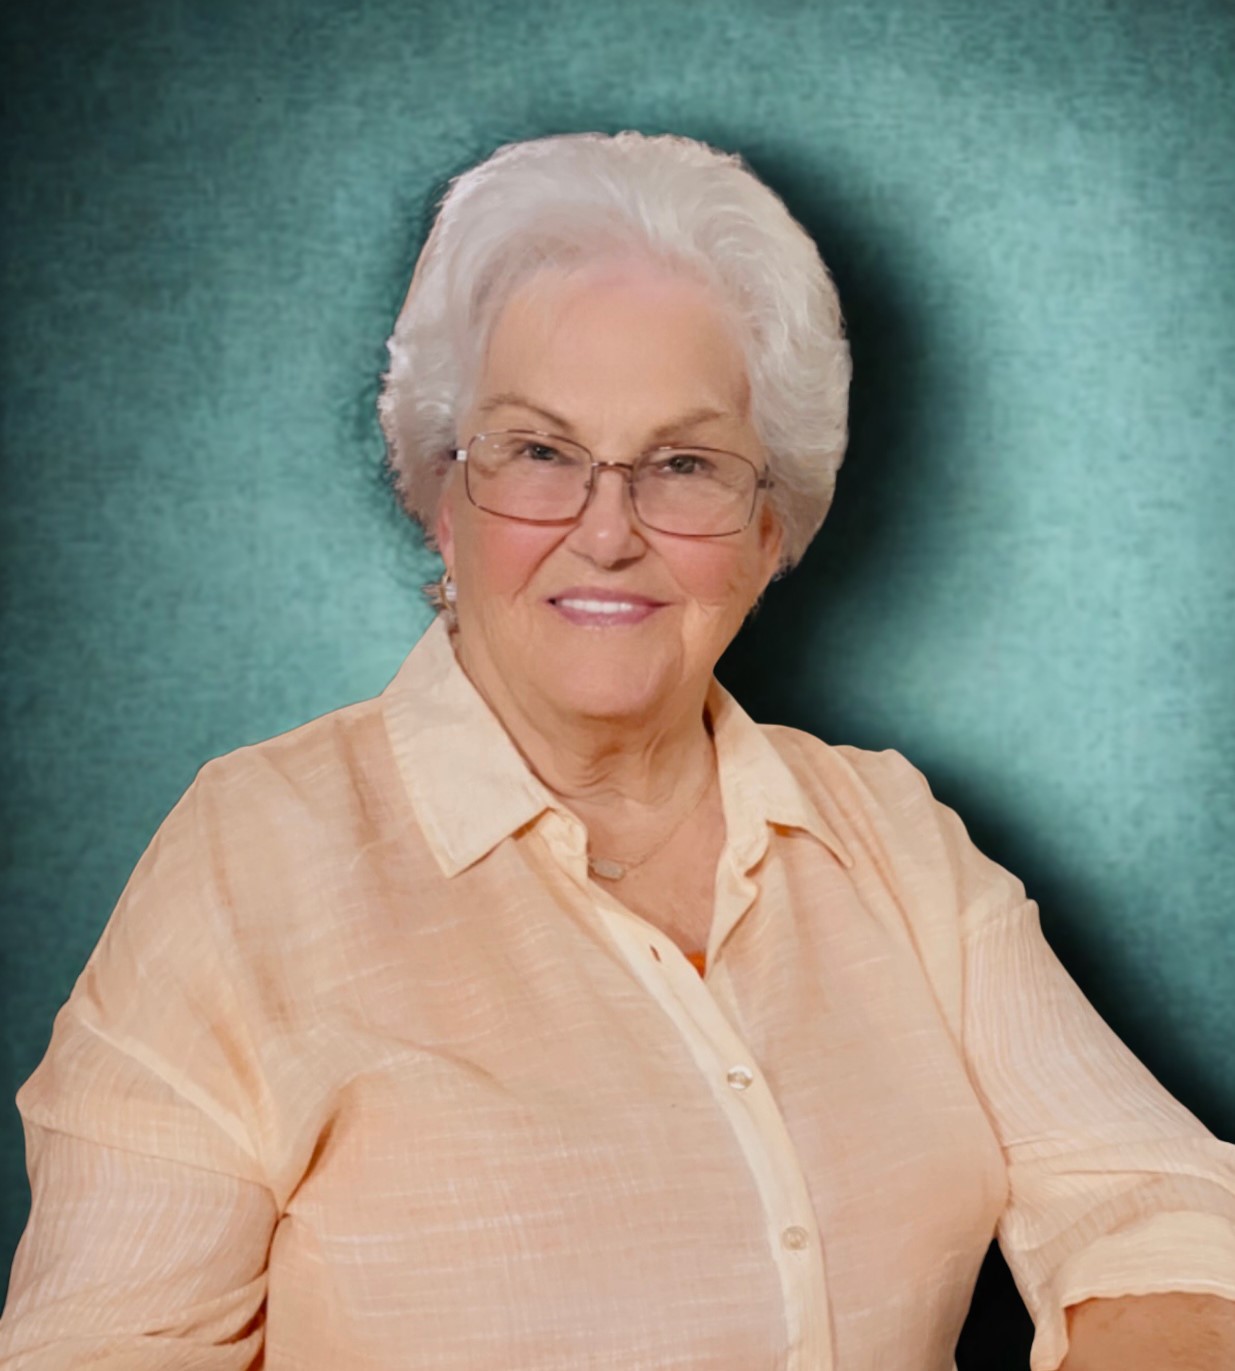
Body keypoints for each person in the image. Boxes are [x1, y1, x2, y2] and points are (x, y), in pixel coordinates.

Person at [1, 129, 1233, 1371]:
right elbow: (102, 1349)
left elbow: (1159, 1207)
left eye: (682, 465)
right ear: (440, 496)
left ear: (766, 529)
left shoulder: (888, 836)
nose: (606, 533)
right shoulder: (249, 859)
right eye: (539, 452)